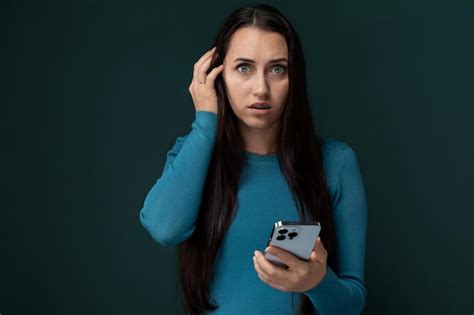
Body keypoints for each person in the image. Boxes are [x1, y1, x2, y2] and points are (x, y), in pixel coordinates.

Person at [139, 4, 367, 315]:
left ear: (294, 78)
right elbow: (165, 228)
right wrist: (206, 121)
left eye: (277, 69)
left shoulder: (335, 163)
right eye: (244, 67)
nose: (261, 88)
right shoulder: (195, 151)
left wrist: (316, 282)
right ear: (217, 75)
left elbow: (351, 303)